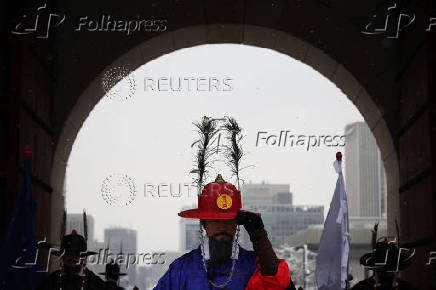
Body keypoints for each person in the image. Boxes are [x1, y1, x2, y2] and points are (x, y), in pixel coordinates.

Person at [154, 174, 295, 289]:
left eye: (228, 220)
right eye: (215, 220)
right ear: (203, 223)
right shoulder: (181, 269)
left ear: (237, 224)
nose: (222, 226)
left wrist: (260, 237)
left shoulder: (255, 265)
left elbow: (279, 284)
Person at [37, 230, 104, 290]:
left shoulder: (92, 280)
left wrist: (111, 281)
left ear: (83, 258)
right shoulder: (54, 279)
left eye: (77, 254)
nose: (73, 258)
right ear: (63, 257)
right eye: (69, 254)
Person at [351, 236, 416, 290]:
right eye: (381, 269)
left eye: (389, 269)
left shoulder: (406, 287)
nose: (384, 272)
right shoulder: (362, 287)